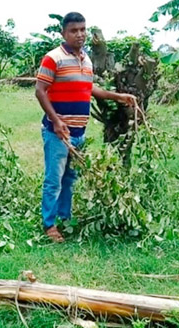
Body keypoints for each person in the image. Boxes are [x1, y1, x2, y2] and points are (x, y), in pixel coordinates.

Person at [35, 12, 136, 243]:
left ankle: (65, 218)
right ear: (64, 33)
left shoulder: (86, 59)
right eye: (74, 30)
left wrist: (117, 96)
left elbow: (90, 89)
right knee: (54, 179)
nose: (79, 34)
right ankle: (49, 225)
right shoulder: (53, 58)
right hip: (57, 132)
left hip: (79, 133)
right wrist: (57, 121)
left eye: (82, 29)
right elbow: (40, 91)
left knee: (70, 178)